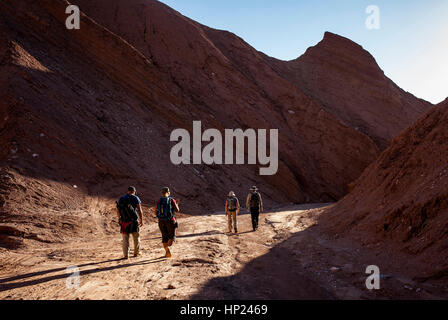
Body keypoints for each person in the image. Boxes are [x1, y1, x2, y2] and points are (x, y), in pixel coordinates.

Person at [116, 186, 143, 259]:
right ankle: (136, 253)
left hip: (124, 221)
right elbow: (140, 210)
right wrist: (141, 220)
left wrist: (119, 219)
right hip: (134, 221)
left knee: (125, 238)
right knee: (136, 237)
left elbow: (118, 210)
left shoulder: (121, 198)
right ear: (134, 191)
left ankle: (126, 255)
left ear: (127, 191)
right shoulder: (135, 198)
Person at [156, 187, 180, 258]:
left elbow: (155, 212)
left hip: (161, 221)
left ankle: (167, 251)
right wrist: (177, 203)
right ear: (168, 192)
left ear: (162, 193)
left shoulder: (159, 201)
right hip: (170, 220)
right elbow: (177, 210)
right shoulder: (171, 200)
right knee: (171, 236)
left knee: (164, 237)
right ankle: (170, 241)